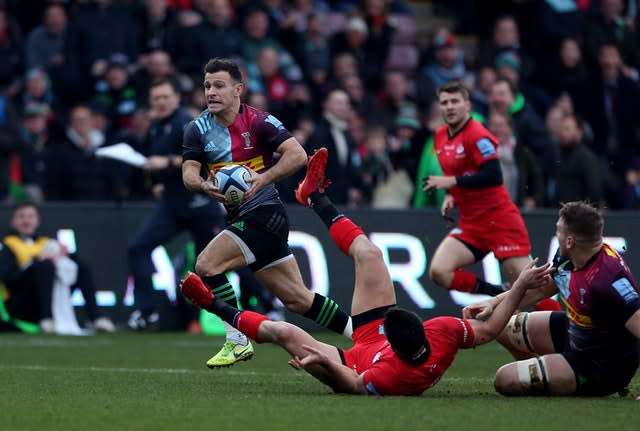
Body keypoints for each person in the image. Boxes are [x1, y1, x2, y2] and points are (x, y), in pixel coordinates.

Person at [179, 148, 554, 395]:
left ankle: (213, 304)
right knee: (371, 254)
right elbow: (489, 329)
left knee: (283, 331)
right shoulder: (442, 332)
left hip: (353, 364)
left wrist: (324, 361)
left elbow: (357, 386)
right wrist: (519, 286)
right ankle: (314, 196)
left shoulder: (392, 377)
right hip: (374, 339)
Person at [181, 58, 352, 368]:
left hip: (264, 215)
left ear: (238, 89)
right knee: (298, 300)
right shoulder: (197, 129)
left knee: (206, 265)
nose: (211, 92)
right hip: (242, 220)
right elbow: (188, 173)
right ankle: (363, 334)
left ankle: (236, 338)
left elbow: (298, 154)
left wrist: (263, 177)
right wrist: (204, 186)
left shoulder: (259, 122)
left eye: (219, 85)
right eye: (207, 86)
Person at [464, 201, 640, 397]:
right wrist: (493, 302)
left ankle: (561, 376)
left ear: (570, 241)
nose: (557, 235)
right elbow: (541, 289)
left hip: (600, 365)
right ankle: (547, 370)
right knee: (502, 325)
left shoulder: (608, 279)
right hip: (577, 333)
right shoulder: (572, 255)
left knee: (505, 379)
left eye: (559, 231)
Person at [126, 77, 223, 330]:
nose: (160, 102)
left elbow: (203, 156)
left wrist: (167, 162)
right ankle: (145, 312)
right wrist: (159, 181)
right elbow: (155, 161)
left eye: (165, 97)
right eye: (156, 98)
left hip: (201, 205)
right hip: (172, 204)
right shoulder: (157, 125)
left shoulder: (187, 124)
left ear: (177, 98)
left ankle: (264, 303)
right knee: (138, 247)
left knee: (215, 263)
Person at [422, 80, 532, 297]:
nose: (450, 107)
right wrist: (451, 195)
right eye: (444, 103)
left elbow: (493, 175)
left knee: (530, 292)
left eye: (455, 101)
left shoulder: (478, 135)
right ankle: (497, 293)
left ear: (468, 105)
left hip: (499, 221)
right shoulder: (440, 136)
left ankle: (566, 328)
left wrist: (452, 182)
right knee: (439, 271)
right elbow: (462, 171)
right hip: (472, 224)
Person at [0, 201, 115, 333]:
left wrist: (66, 255)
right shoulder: (8, 245)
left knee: (81, 266)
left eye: (30, 216)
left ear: (37, 220)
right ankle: (47, 319)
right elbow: (9, 279)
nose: (26, 221)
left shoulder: (46, 242)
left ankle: (96, 318)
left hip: (53, 295)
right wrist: (37, 262)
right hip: (22, 302)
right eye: (21, 217)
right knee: (45, 266)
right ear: (13, 221)